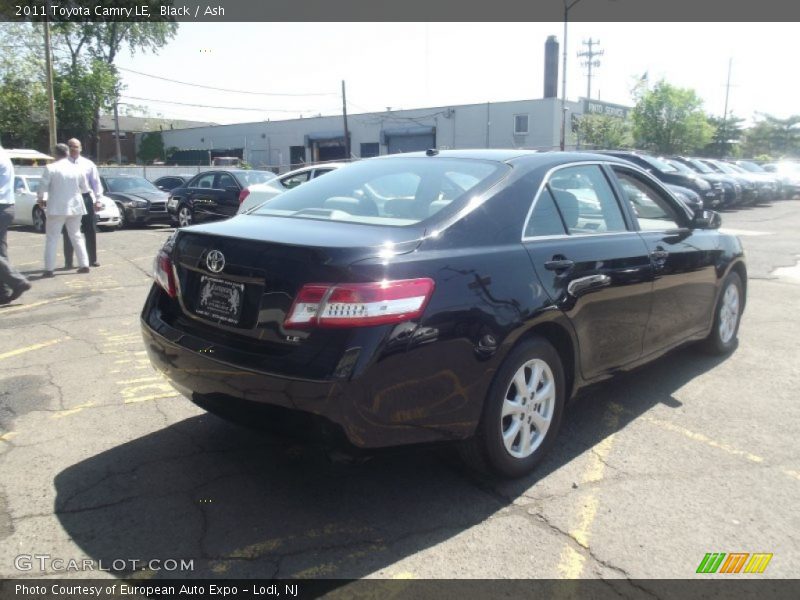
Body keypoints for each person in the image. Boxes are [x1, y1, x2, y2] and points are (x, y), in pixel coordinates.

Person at [37, 143, 93, 277]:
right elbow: (85, 188)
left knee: (52, 238)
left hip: (56, 207)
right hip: (75, 206)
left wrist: (40, 199)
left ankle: (49, 269)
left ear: (55, 154)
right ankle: (84, 264)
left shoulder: (51, 168)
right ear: (67, 153)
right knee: (76, 235)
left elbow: (42, 187)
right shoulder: (77, 169)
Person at [62, 138, 102, 268]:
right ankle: (68, 261)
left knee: (89, 228)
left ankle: (92, 259)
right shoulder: (62, 164)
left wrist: (98, 200)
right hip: (68, 198)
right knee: (69, 231)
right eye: (71, 146)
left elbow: (96, 183)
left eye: (76, 146)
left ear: (81, 148)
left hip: (85, 197)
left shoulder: (88, 164)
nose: (73, 149)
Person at [0, 141, 31, 303]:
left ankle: (17, 281)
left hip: (1, 206)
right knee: (1, 252)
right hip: (6, 205)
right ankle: (3, 292)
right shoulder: (4, 154)